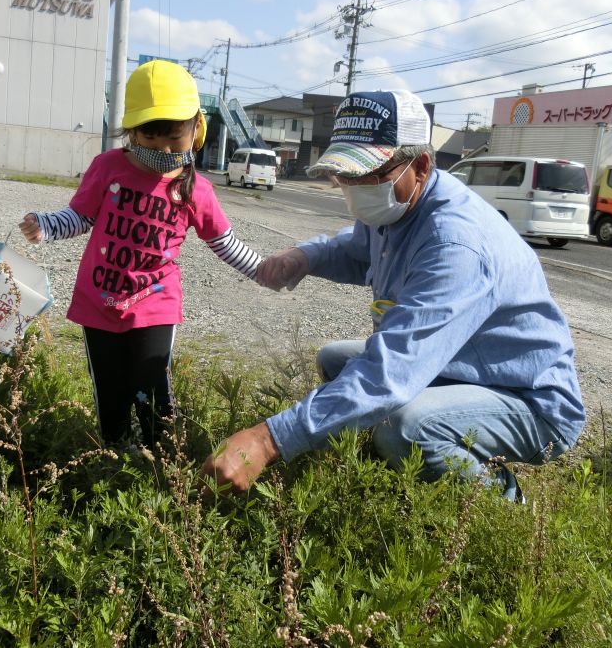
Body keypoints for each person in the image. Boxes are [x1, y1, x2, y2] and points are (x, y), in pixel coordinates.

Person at [200, 89, 584, 500]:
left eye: (367, 175)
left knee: (406, 425)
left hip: (526, 398)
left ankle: (504, 503)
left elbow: (391, 372)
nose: (352, 187)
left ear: (418, 166)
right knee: (336, 360)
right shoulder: (402, 205)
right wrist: (303, 258)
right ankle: (384, 463)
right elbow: (357, 249)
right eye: (344, 176)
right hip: (461, 367)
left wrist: (266, 440)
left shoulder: (456, 245)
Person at [20, 60, 263, 449]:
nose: (163, 151)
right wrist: (46, 225)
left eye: (174, 139)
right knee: (109, 387)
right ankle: (115, 451)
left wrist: (264, 270)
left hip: (155, 303)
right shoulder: (108, 167)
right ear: (131, 131)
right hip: (99, 300)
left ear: (196, 129)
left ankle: (159, 456)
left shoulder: (195, 190)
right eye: (150, 140)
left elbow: (223, 242)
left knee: (152, 387)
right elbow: (80, 217)